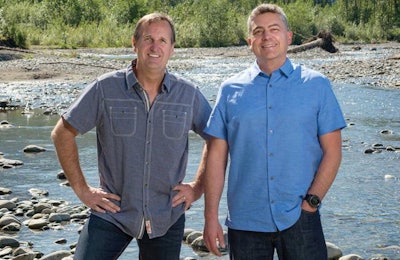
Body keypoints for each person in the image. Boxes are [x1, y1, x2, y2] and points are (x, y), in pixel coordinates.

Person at [51, 13, 211, 260]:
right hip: (113, 213)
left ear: (172, 49)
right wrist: (83, 191)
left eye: (163, 40)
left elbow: (216, 139)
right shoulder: (105, 89)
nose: (155, 47)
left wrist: (197, 188)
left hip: (165, 216)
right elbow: (62, 133)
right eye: (148, 39)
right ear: (134, 43)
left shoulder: (188, 95)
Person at [202, 3, 346, 260]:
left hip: (300, 218)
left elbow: (333, 152)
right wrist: (210, 217)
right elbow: (216, 158)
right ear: (250, 41)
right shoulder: (229, 90)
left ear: (288, 37)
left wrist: (311, 203)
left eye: (274, 29)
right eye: (258, 31)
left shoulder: (317, 85)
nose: (266, 37)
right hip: (245, 222)